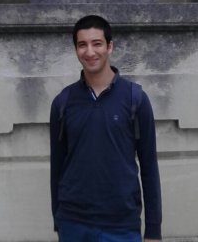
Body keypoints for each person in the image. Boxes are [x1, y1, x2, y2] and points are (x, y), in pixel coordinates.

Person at [50, 15, 162, 241]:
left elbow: (149, 166)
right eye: (82, 45)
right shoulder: (63, 102)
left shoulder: (135, 99)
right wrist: (58, 221)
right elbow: (57, 167)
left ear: (109, 47)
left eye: (97, 43)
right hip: (73, 224)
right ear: (76, 50)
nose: (90, 52)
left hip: (121, 226)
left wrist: (153, 230)